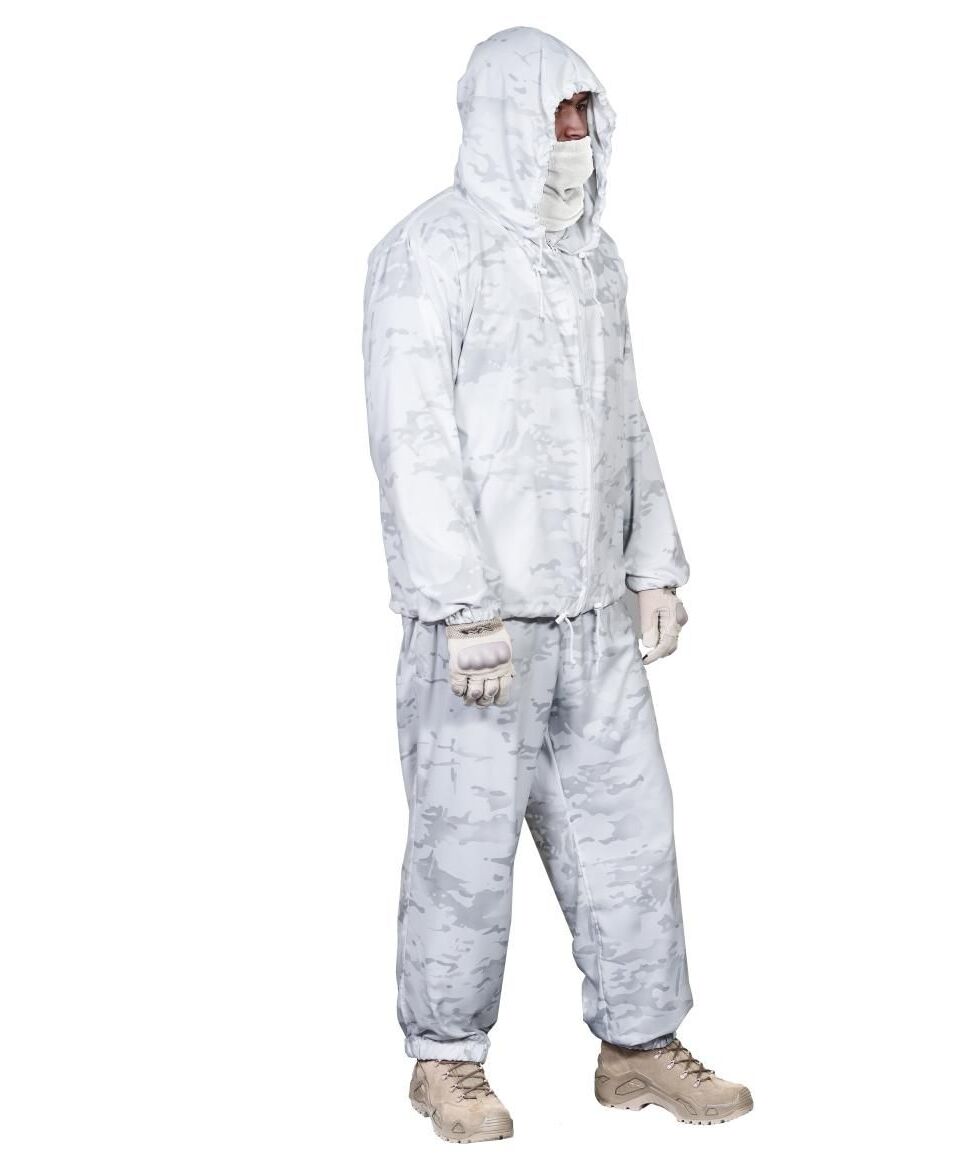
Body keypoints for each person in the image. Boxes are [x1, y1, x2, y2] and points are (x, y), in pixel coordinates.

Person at [361, 25, 752, 1143]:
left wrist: (653, 562)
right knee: (464, 848)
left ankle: (638, 1046)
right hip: (480, 630)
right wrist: (459, 604)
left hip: (590, 616)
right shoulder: (428, 252)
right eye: (554, 113)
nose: (571, 134)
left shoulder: (593, 258)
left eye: (584, 113)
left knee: (631, 834)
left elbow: (625, 416)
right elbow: (412, 438)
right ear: (501, 116)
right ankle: (445, 1060)